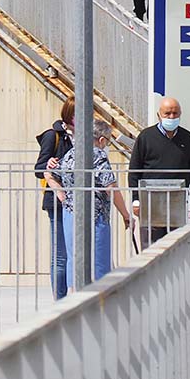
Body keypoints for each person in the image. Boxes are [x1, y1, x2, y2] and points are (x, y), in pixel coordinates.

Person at [45, 119, 131, 289]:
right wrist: (125, 214)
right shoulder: (98, 155)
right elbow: (110, 187)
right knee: (99, 260)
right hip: (96, 215)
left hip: (71, 215)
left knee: (73, 257)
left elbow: (49, 174)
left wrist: (63, 195)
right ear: (101, 140)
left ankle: (73, 296)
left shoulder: (71, 154)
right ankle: (100, 299)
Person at [127, 97, 190, 248]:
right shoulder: (146, 137)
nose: (171, 117)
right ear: (159, 115)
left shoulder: (187, 137)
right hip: (150, 200)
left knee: (176, 246)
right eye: (167, 113)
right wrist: (136, 200)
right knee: (150, 246)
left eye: (175, 113)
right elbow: (134, 171)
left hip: (177, 201)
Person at [34, 97, 75, 299]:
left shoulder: (87, 136)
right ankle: (60, 300)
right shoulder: (54, 136)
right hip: (58, 202)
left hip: (80, 202)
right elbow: (39, 169)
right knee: (61, 255)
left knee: (76, 253)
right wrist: (48, 164)